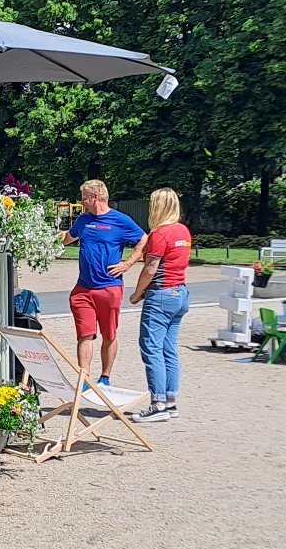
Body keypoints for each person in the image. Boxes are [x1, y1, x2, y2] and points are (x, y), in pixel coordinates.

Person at [61, 179, 145, 387]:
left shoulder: (120, 221)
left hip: (109, 287)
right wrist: (43, 237)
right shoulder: (83, 220)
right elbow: (66, 238)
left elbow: (145, 240)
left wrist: (128, 263)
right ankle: (85, 378)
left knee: (109, 333)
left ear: (95, 198)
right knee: (85, 334)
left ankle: (105, 377)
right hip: (83, 288)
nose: (82, 202)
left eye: (84, 198)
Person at [129, 187, 191, 423]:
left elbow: (150, 268)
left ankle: (157, 404)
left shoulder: (159, 233)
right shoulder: (183, 231)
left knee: (151, 348)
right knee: (169, 349)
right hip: (180, 293)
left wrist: (137, 293)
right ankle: (170, 401)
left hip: (161, 294)